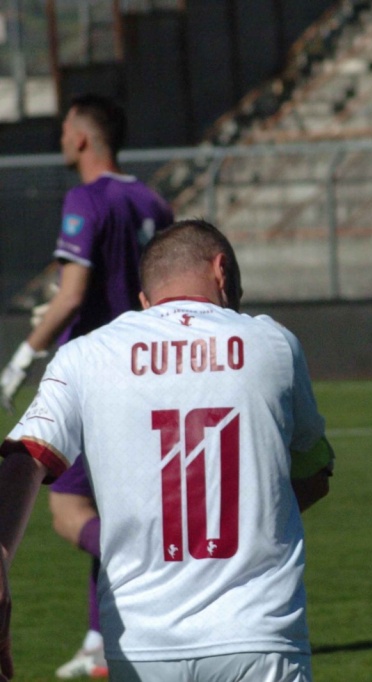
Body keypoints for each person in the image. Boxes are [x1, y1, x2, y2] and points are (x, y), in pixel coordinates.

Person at [0, 219, 333, 682]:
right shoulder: (273, 343)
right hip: (257, 634)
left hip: (140, 645)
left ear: (144, 301)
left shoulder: (85, 356)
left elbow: (26, 456)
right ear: (222, 271)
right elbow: (317, 471)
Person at [0, 93, 175, 678]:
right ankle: (101, 641)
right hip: (151, 375)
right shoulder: (153, 199)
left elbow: (72, 295)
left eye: (64, 130)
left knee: (69, 513)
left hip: (93, 378)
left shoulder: (87, 197)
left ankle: (166, 567)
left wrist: (22, 358)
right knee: (114, 508)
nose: (60, 141)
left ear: (80, 138)